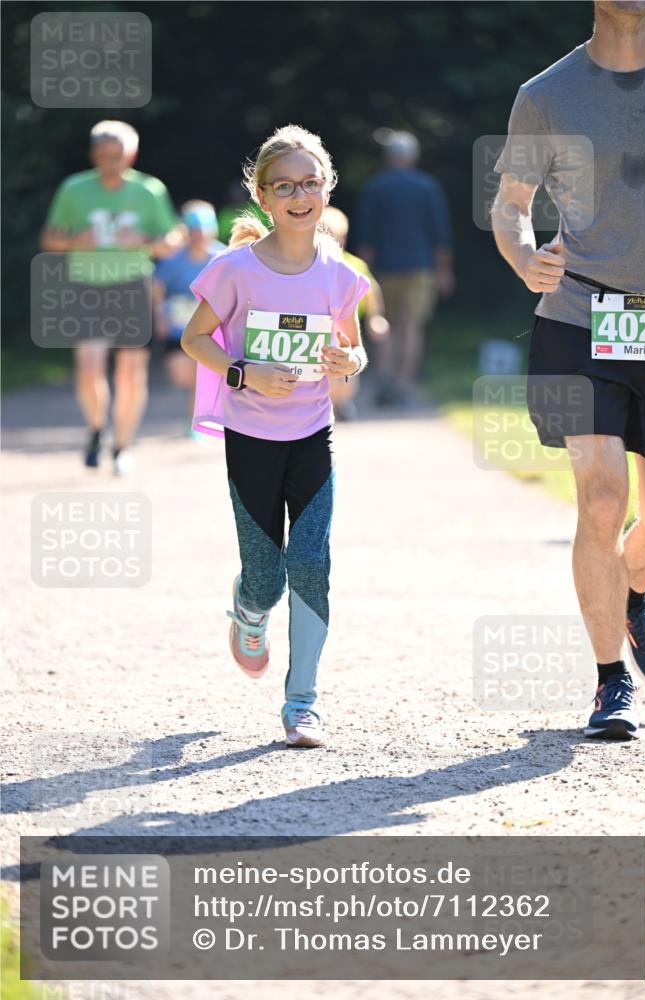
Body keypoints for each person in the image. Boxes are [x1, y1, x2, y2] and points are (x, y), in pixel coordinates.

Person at [492, 0, 645, 740]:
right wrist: (522, 255)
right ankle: (608, 685)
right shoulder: (546, 94)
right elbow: (508, 205)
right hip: (579, 315)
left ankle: (627, 594)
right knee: (600, 500)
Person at [180, 125, 370, 748]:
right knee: (267, 580)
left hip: (313, 433)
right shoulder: (235, 269)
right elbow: (194, 339)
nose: (299, 195)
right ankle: (248, 607)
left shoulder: (338, 273)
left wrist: (350, 363)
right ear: (262, 196)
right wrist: (245, 372)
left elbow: (352, 347)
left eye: (310, 183)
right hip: (250, 438)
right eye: (284, 185)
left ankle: (303, 702)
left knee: (312, 563)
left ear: (327, 189)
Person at [40, 120, 181, 474]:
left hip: (132, 286)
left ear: (130, 154)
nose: (111, 163)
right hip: (88, 286)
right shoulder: (74, 189)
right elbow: (50, 240)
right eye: (104, 156)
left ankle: (121, 446)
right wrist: (74, 241)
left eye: (117, 156)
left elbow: (171, 241)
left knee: (131, 373)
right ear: (93, 156)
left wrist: (146, 242)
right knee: (89, 366)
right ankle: (97, 428)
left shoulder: (150, 190)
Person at [356, 130, 454, 406]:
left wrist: (364, 272)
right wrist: (444, 270)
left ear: (388, 157)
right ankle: (404, 384)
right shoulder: (428, 186)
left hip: (383, 269)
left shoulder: (375, 187)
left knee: (382, 323)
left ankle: (384, 378)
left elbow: (366, 237)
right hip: (420, 268)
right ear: (413, 156)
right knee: (411, 326)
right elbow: (440, 234)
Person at [152, 200, 224, 434]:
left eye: (203, 231)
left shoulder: (223, 257)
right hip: (178, 330)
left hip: (214, 330)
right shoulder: (173, 259)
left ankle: (197, 421)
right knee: (182, 373)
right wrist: (159, 316)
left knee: (202, 367)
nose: (199, 236)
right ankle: (199, 414)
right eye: (194, 231)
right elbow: (156, 288)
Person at [320, 205, 389, 420]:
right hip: (322, 329)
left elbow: (372, 291)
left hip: (349, 330)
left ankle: (344, 401)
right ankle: (329, 404)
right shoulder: (312, 265)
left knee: (349, 368)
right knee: (327, 371)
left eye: (339, 238)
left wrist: (375, 317)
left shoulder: (354, 264)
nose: (335, 243)